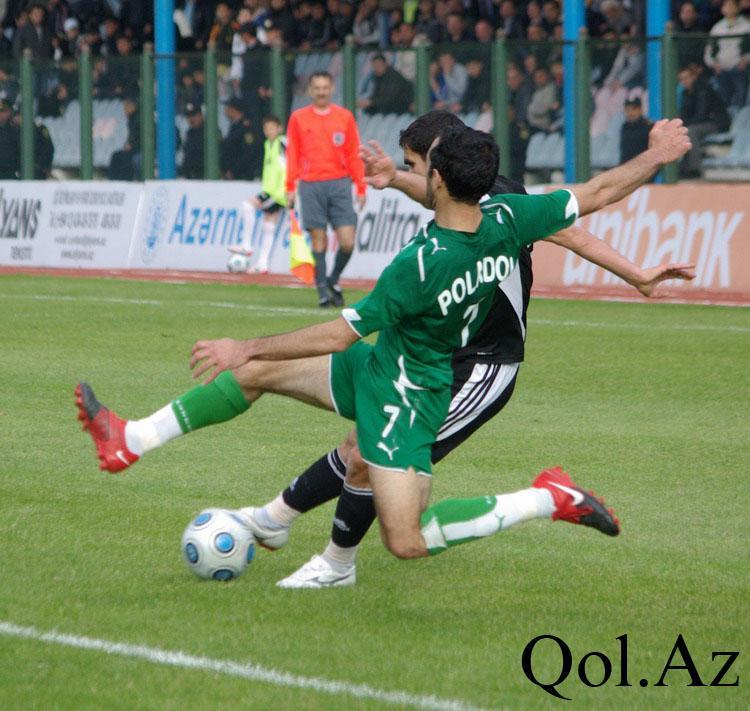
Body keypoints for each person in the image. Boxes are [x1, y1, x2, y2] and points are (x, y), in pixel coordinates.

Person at [76, 119, 691, 581]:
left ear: (438, 177)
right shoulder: (510, 217)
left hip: (409, 392)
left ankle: (545, 497)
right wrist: (658, 156)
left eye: (420, 169)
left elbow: (340, 332)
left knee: (407, 540)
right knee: (263, 375)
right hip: (384, 365)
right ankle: (133, 440)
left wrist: (244, 344)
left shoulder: (420, 265)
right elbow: (600, 190)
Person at [285, 71, 366, 307]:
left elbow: (353, 153)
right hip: (311, 185)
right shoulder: (298, 118)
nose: (321, 92)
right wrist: (290, 185)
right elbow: (293, 153)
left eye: (325, 87)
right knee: (318, 239)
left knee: (347, 241)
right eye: (317, 88)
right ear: (310, 90)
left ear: (332, 89)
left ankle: (332, 279)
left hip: (340, 183)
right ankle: (322, 292)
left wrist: (361, 186)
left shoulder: (345, 117)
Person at [240, 115, 287, 274]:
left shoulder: (282, 143)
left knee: (248, 205)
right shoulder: (268, 144)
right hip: (271, 190)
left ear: (279, 129)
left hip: (276, 192)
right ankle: (263, 263)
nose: (269, 131)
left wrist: (290, 188)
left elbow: (291, 163)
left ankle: (246, 245)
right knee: (268, 226)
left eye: (272, 128)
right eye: (267, 129)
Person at [678, 64, 730, 177]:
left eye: (686, 78)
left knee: (691, 131)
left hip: (716, 123)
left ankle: (695, 169)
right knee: (682, 131)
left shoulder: (703, 89)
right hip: (700, 123)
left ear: (693, 77)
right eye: (681, 79)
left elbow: (701, 114)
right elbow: (684, 115)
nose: (684, 81)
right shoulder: (685, 93)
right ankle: (682, 168)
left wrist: (686, 125)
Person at [703, 0, 750, 107]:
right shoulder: (717, 28)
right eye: (726, 5)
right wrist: (713, 64)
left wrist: (746, 60)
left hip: (739, 69)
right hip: (722, 70)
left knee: (741, 100)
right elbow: (709, 51)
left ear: (738, 8)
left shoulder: (747, 26)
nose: (729, 8)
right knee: (723, 101)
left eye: (732, 5)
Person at [220, 97, 262, 181]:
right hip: (231, 175)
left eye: (228, 108)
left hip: (242, 176)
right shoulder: (235, 126)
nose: (225, 110)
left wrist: (233, 171)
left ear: (234, 110)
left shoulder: (246, 128)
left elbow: (248, 153)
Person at [620, 96, 651, 164]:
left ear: (640, 110)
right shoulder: (625, 127)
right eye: (627, 109)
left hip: (643, 166)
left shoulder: (648, 127)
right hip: (627, 166)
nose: (630, 113)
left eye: (634, 109)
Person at [181, 103, 205, 180]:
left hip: (204, 177)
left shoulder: (209, 132)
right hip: (190, 177)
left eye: (194, 116)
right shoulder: (190, 133)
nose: (191, 119)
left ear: (201, 116)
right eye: (189, 116)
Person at [0, 99, 20, 179]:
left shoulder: (16, 130)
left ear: (9, 112)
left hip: (11, 173)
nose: (1, 114)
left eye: (3, 111)